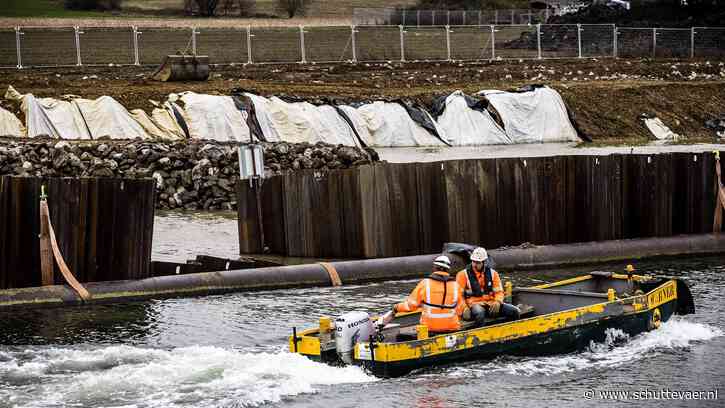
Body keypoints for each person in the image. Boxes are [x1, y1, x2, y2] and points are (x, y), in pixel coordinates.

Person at [392, 255, 465, 333]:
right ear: (448, 270)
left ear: (435, 268)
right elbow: (460, 309)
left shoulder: (425, 283)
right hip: (452, 327)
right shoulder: (456, 286)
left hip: (429, 328)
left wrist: (397, 307)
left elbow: (411, 306)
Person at [456, 247, 520, 327]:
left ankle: (511, 333)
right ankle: (480, 337)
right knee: (480, 314)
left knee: (514, 311)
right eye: (473, 261)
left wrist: (498, 302)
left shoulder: (493, 274)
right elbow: (458, 295)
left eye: (478, 262)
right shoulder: (462, 275)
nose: (475, 264)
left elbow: (499, 292)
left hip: (491, 303)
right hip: (474, 304)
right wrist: (464, 308)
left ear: (484, 262)